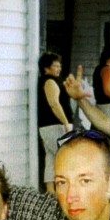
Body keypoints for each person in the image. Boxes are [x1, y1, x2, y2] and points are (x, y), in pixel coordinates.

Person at [38, 52, 74, 192]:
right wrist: (66, 123)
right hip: (55, 126)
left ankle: (50, 193)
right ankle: (63, 190)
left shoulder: (50, 80)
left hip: (48, 127)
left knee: (51, 159)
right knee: (64, 158)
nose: (59, 68)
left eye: (60, 66)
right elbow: (54, 104)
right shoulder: (49, 81)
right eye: (56, 66)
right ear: (46, 68)